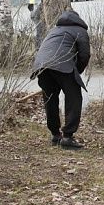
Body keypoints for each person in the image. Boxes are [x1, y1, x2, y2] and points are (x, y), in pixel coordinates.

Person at [31, 9, 90, 149]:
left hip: (41, 65)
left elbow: (44, 49)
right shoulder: (80, 31)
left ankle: (55, 134)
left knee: (50, 98)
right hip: (62, 63)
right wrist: (77, 71)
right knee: (74, 96)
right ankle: (68, 136)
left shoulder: (54, 30)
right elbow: (84, 55)